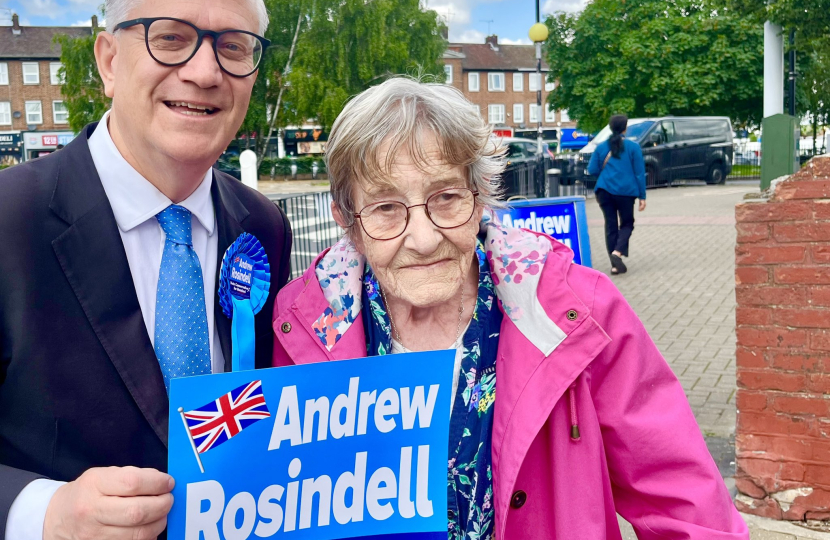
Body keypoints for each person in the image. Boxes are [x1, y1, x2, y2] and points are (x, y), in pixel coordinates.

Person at [271, 78, 748, 539]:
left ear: (480, 199)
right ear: (347, 222)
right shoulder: (305, 327)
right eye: (386, 208)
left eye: (447, 197)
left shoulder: (577, 311)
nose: (423, 238)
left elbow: (683, 500)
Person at [0, 0, 292, 538]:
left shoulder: (265, 226)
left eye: (232, 47)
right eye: (172, 38)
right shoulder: (8, 219)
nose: (205, 73)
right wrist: (41, 513)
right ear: (109, 61)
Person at [588, 114, 647, 275]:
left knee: (610, 225)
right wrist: (642, 196)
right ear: (625, 128)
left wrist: (607, 173)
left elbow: (592, 169)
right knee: (627, 223)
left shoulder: (601, 147)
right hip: (626, 193)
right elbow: (639, 173)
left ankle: (614, 265)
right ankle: (617, 253)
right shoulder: (633, 147)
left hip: (605, 191)